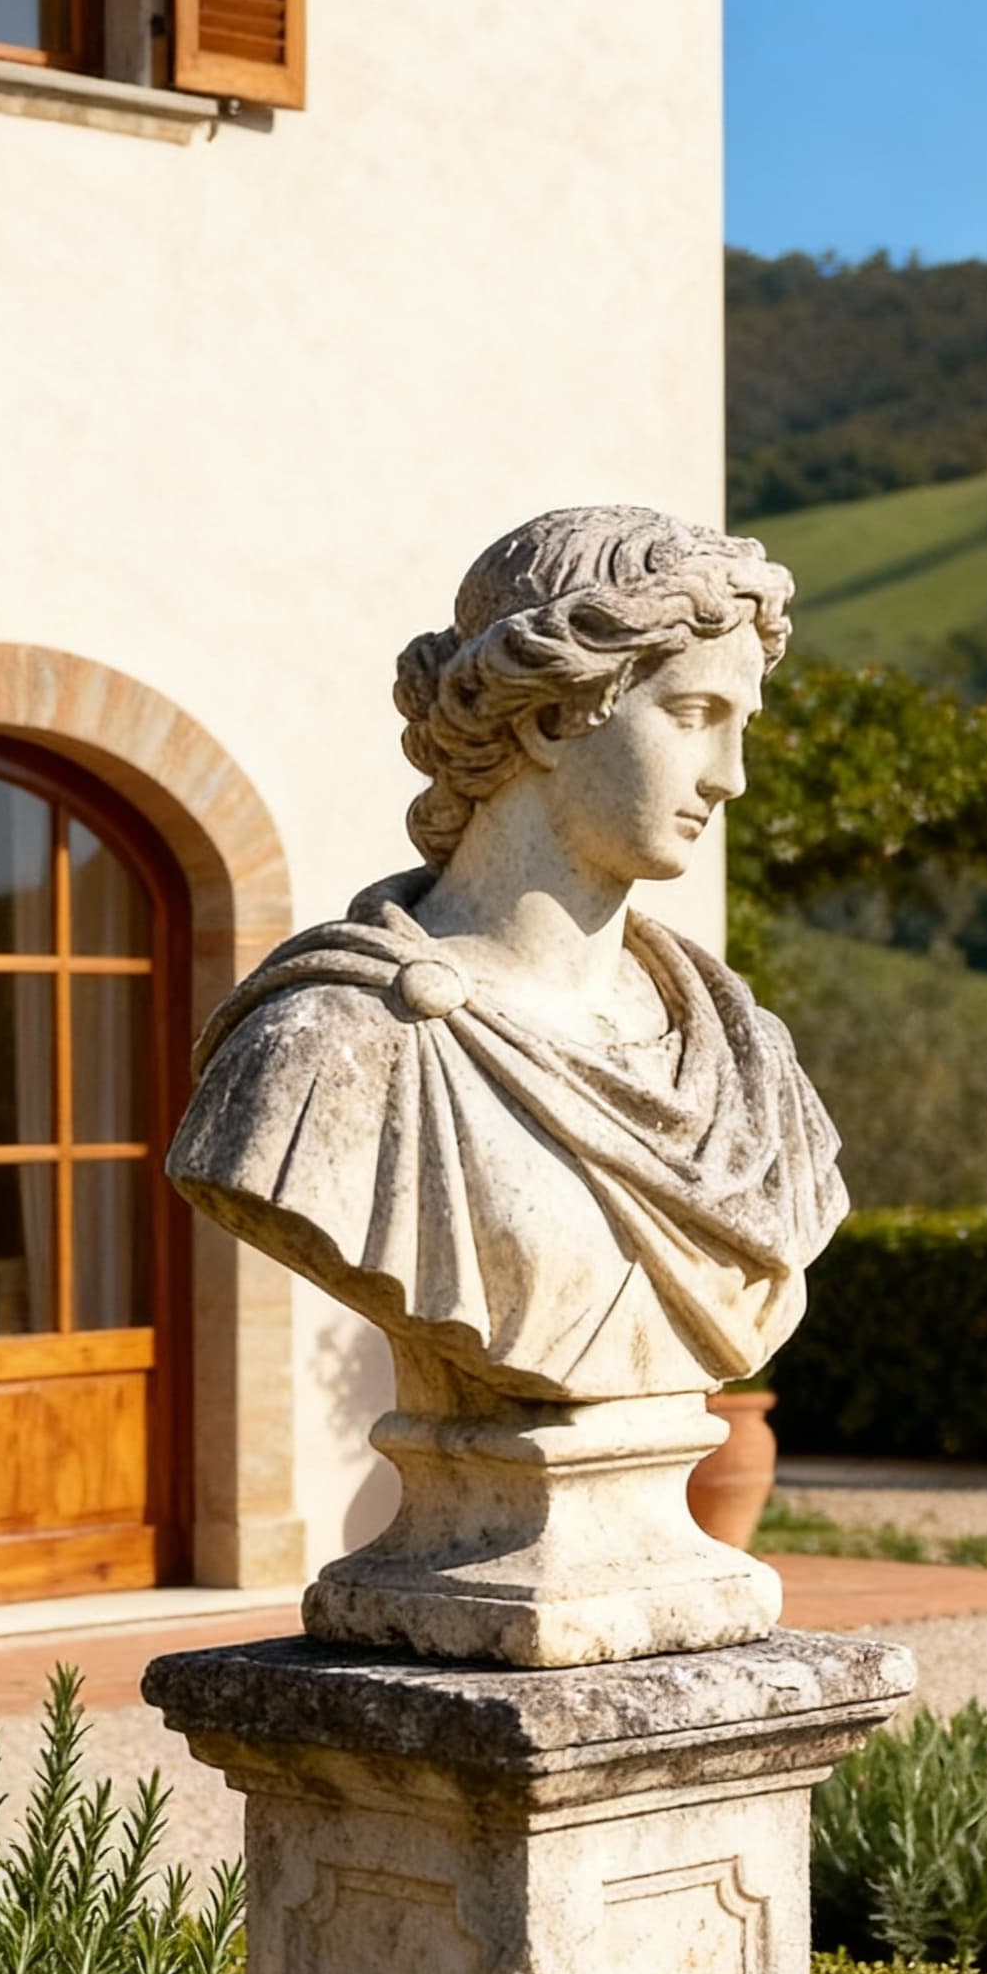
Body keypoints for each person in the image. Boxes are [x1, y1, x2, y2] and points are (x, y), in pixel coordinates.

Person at [168, 503, 845, 1403]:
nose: (730, 776)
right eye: (691, 714)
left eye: (741, 725)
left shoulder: (747, 1063)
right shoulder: (330, 1047)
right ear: (548, 718)